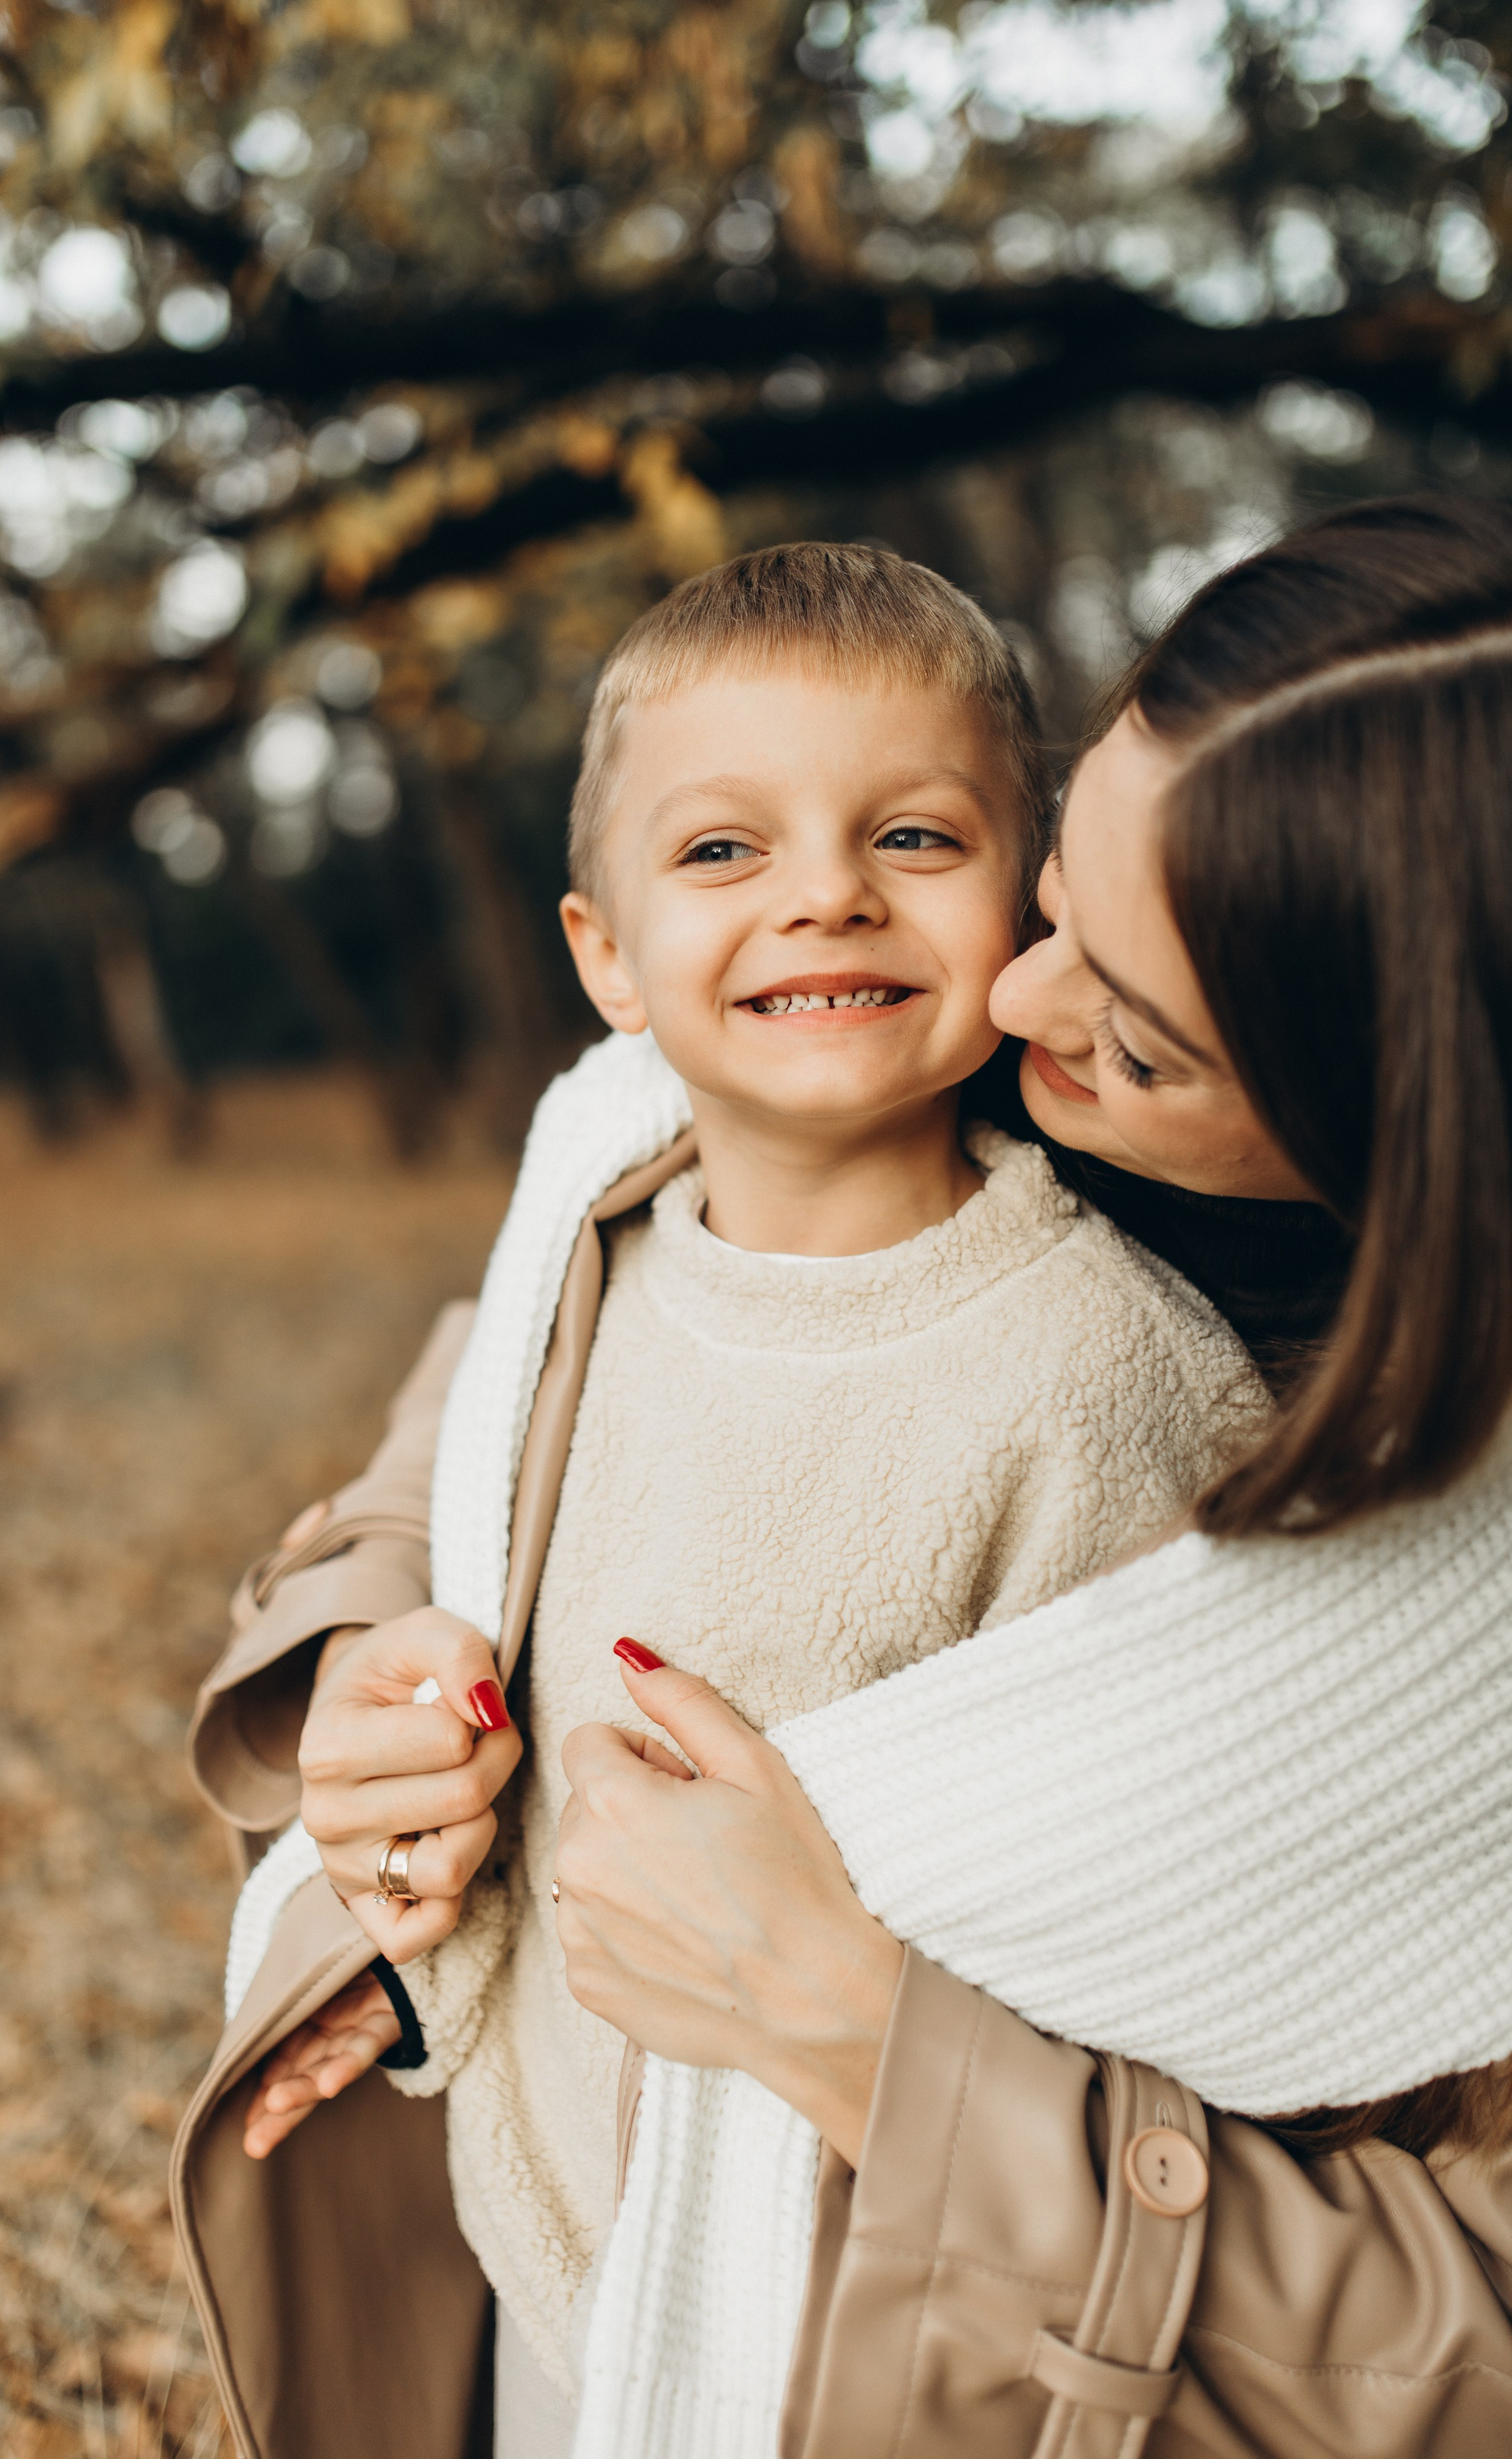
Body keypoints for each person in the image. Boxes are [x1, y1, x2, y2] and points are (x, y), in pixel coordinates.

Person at [168, 499, 1512, 2459]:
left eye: (1133, 1039)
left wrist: (880, 2050)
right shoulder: (654, 1147)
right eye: (1056, 905)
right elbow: (508, 1389)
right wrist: (379, 1657)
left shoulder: (1136, 1386)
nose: (1022, 1014)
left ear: (1409, 1133)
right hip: (546, 2247)